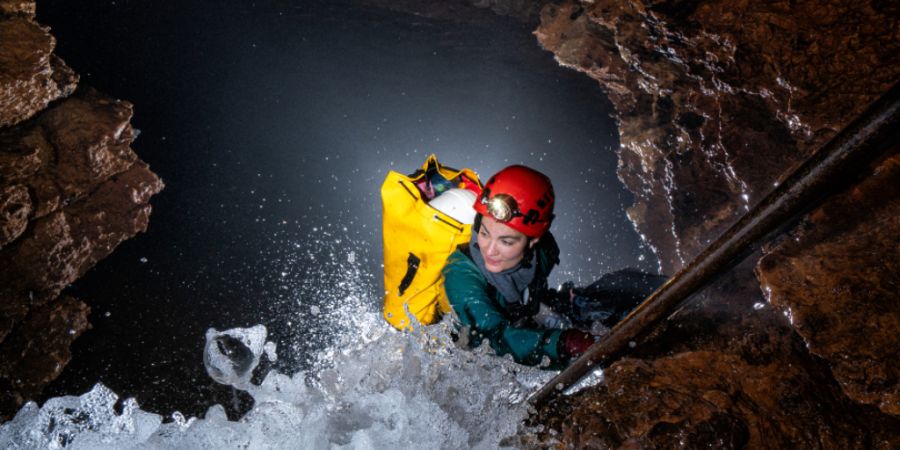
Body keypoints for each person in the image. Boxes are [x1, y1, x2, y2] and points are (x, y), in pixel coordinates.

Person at [441, 165, 666, 368]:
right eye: (484, 233)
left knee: (617, 287)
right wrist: (562, 343)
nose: (489, 250)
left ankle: (669, 303)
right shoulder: (460, 274)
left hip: (525, 316)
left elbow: (533, 297)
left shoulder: (543, 252)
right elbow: (493, 338)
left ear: (534, 240)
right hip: (481, 352)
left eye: (506, 242)